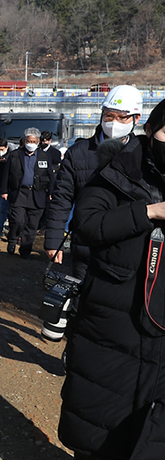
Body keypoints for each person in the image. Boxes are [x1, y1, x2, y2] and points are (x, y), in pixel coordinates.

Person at [58, 98, 165, 459]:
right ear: (149, 130)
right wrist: (149, 212)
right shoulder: (116, 171)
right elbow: (86, 225)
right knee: (100, 424)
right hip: (114, 315)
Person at [45, 85, 144, 279]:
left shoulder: (142, 155)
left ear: (136, 118)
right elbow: (62, 198)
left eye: (122, 117)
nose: (114, 122)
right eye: (108, 116)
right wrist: (54, 238)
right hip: (85, 245)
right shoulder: (78, 152)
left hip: (126, 248)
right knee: (81, 302)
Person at [1, 128, 55, 259]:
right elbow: (6, 174)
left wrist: (51, 192)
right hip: (19, 193)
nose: (31, 143)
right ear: (25, 141)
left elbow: (51, 176)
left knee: (32, 225)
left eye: (34, 141)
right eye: (29, 141)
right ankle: (12, 239)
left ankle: (25, 250)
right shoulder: (15, 155)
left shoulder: (45, 156)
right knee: (17, 220)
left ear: (38, 142)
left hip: (37, 194)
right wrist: (4, 191)